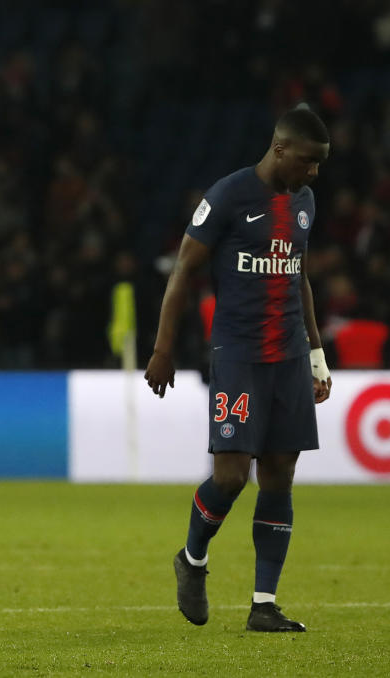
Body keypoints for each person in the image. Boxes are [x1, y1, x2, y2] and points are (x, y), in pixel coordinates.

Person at [144, 106, 332, 632]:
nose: (314, 173)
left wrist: (316, 355)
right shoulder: (228, 196)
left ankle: (264, 605)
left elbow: (299, 277)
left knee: (279, 475)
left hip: (289, 356)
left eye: (319, 164)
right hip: (239, 355)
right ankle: (192, 560)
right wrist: (163, 348)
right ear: (280, 149)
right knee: (230, 477)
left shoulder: (304, 202)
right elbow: (183, 270)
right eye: (309, 161)